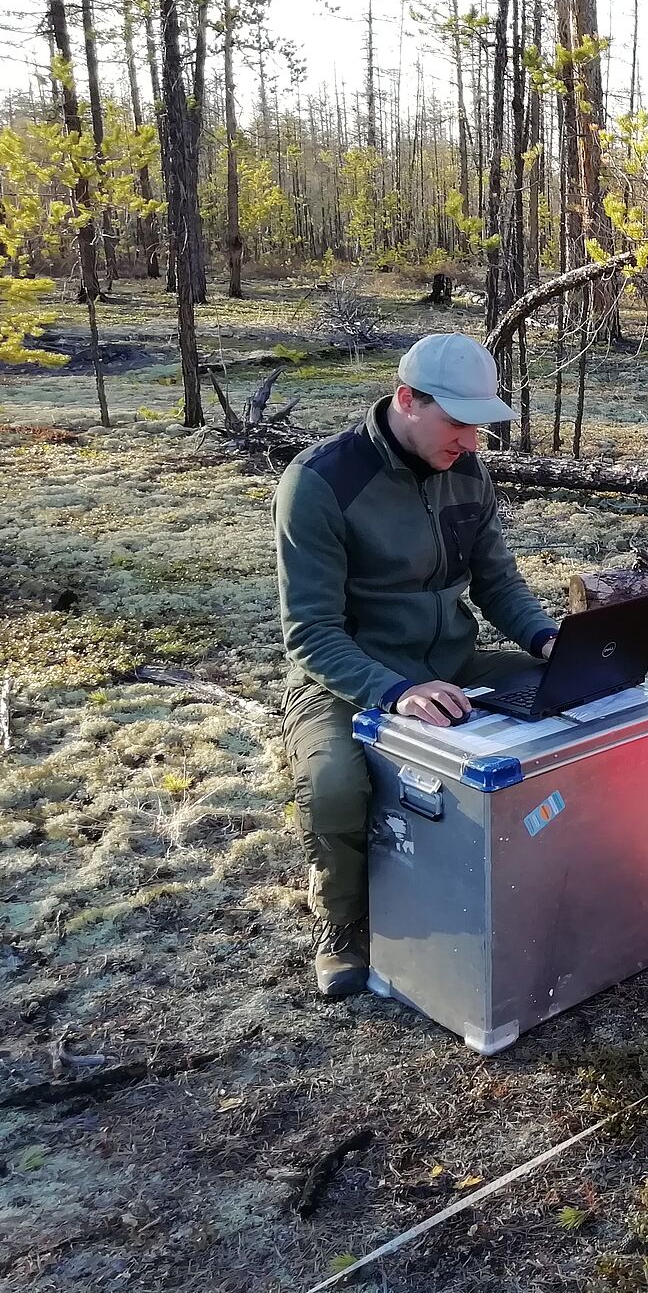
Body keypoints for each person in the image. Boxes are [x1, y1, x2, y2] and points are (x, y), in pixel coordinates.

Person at [274, 333, 559, 999]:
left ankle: (536, 870)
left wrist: (544, 638)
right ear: (407, 400)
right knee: (335, 785)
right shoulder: (319, 484)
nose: (472, 440)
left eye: (479, 423)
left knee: (567, 698)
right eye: (458, 421)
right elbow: (310, 634)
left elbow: (497, 582)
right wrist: (395, 691)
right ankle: (342, 926)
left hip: (453, 662)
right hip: (347, 679)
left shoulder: (467, 470)